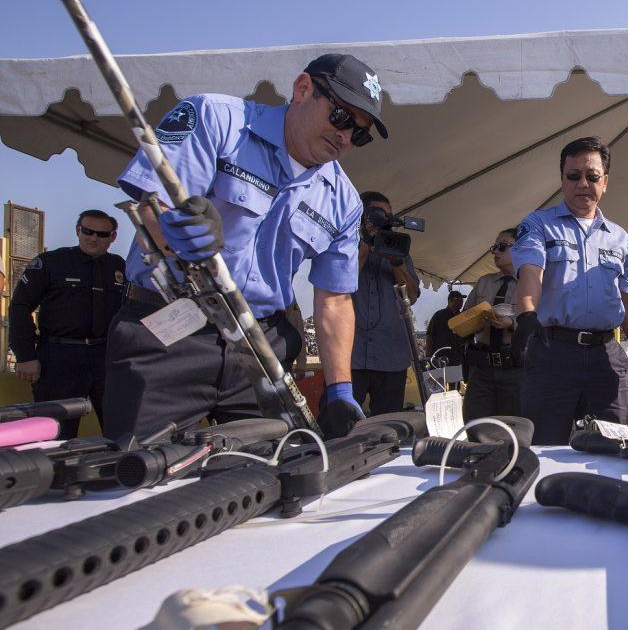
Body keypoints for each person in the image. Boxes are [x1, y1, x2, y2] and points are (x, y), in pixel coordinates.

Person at [104, 52, 389, 439]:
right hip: (170, 333)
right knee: (139, 475)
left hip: (262, 348)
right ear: (303, 89)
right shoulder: (216, 120)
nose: (344, 135)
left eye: (359, 134)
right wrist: (173, 229)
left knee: (266, 480)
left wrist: (340, 390)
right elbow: (152, 206)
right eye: (340, 117)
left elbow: (334, 300)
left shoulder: (343, 201)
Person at [511, 136, 628, 445]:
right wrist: (526, 313)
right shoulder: (537, 225)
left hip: (607, 359)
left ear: (605, 181)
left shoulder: (621, 238)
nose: (582, 184)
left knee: (613, 445)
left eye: (592, 176)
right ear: (562, 178)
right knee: (545, 446)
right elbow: (530, 272)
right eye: (573, 176)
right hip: (553, 353)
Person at [9, 210, 125, 439]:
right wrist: (25, 356)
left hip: (106, 357)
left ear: (113, 237)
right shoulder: (51, 263)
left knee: (120, 430)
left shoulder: (121, 268)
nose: (93, 238)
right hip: (60, 358)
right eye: (87, 231)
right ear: (77, 231)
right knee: (57, 432)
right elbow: (20, 307)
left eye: (101, 234)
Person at [351, 191, 422, 414]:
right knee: (338, 424)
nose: (385, 220)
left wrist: (397, 262)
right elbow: (339, 285)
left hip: (391, 357)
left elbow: (412, 296)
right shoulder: (346, 247)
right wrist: (365, 247)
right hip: (350, 357)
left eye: (389, 215)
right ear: (363, 217)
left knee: (389, 428)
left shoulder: (399, 252)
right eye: (378, 215)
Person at [461, 228, 524, 420]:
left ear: (520, 249)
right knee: (475, 425)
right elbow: (465, 319)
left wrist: (511, 323)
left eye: (502, 247)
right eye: (494, 247)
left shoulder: (532, 285)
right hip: (481, 369)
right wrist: (477, 320)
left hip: (516, 369)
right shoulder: (484, 282)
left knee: (514, 428)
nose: (495, 252)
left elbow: (541, 324)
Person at [425, 290, 466, 383]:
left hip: (457, 357)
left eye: (461, 300)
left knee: (455, 383)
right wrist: (428, 355)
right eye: (458, 299)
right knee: (440, 383)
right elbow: (429, 335)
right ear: (450, 301)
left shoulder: (462, 317)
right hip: (440, 357)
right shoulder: (439, 315)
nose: (461, 302)